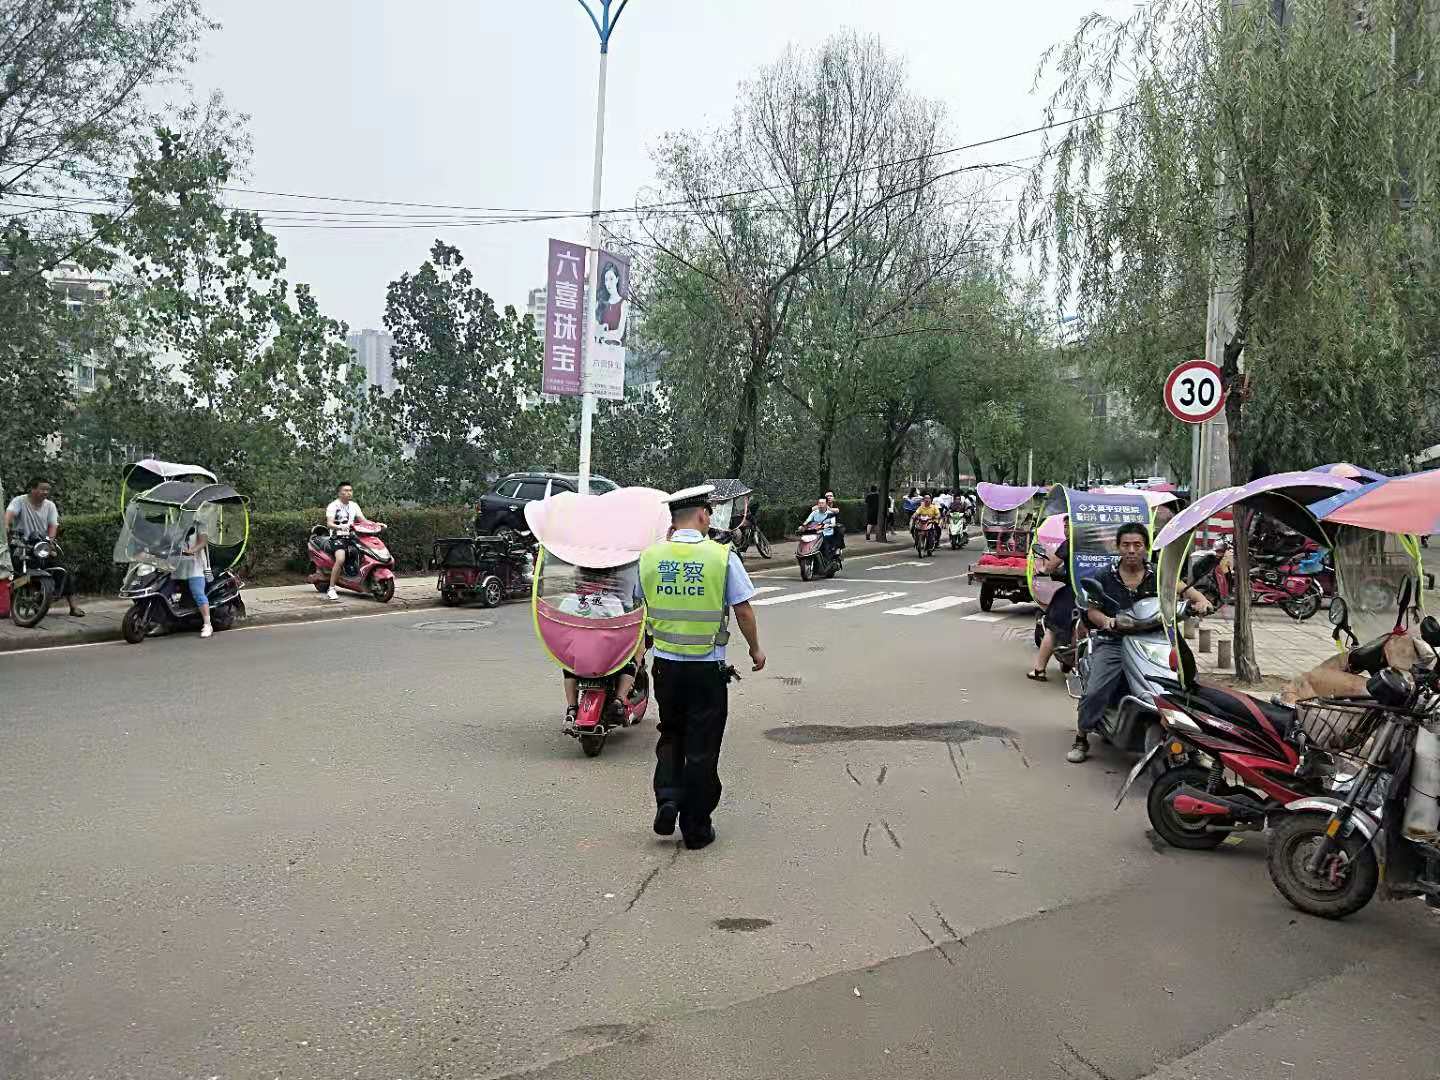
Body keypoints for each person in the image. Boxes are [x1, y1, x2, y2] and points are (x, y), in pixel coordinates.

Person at [640, 486, 765, 850]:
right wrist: (755, 649)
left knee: (671, 733)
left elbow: (637, 607)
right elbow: (743, 609)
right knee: (702, 745)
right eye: (709, 513)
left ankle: (668, 798)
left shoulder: (649, 557)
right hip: (706, 669)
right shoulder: (721, 557)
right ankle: (695, 828)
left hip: (665, 666)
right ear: (701, 515)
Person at [1068, 521, 1212, 763]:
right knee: (1095, 691)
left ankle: (1193, 744)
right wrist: (1107, 621)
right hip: (1114, 641)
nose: (1132, 550)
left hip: (1156, 641)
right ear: (1118, 547)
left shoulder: (1159, 574)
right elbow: (1092, 610)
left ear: (1146, 548)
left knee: (1186, 688)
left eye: (1137, 545)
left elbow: (1187, 591)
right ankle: (1081, 737)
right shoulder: (1104, 575)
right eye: (1126, 545)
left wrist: (1201, 602)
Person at [558, 565, 642, 726]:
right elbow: (622, 628)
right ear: (606, 579)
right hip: (606, 658)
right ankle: (619, 700)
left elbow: (560, 625)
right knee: (630, 664)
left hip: (578, 658)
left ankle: (572, 707)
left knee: (568, 669)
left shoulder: (569, 599)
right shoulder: (611, 600)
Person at [4, 477, 83, 616]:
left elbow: (53, 525)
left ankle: (73, 606)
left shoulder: (50, 505)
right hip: (21, 544)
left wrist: (50, 542)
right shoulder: (19, 501)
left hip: (41, 545)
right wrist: (6, 526)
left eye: (47, 489)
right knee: (12, 572)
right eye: (42, 489)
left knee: (62, 569)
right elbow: (9, 515)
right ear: (32, 489)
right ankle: (9, 603)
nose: (46, 492)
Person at [1028, 522, 1072, 680]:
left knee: (1052, 627)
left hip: (1074, 593)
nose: (1066, 530)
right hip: (1097, 592)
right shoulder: (1100, 543)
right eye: (1065, 526)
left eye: (1068, 525)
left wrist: (1043, 567)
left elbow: (1049, 567)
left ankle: (1039, 669)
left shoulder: (1070, 544)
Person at [325, 482, 369, 600]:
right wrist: (340, 527)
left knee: (367, 553)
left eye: (350, 490)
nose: (349, 493)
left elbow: (363, 520)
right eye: (346, 490)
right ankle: (331, 588)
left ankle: (362, 580)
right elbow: (329, 524)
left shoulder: (354, 505)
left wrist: (376, 524)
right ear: (339, 493)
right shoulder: (333, 506)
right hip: (337, 537)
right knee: (340, 559)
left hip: (352, 536)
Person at [175, 521, 213, 639]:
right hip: (177, 564)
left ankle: (207, 624)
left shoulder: (199, 525)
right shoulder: (177, 524)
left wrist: (192, 550)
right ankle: (161, 621)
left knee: (197, 592)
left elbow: (203, 542)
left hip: (195, 564)